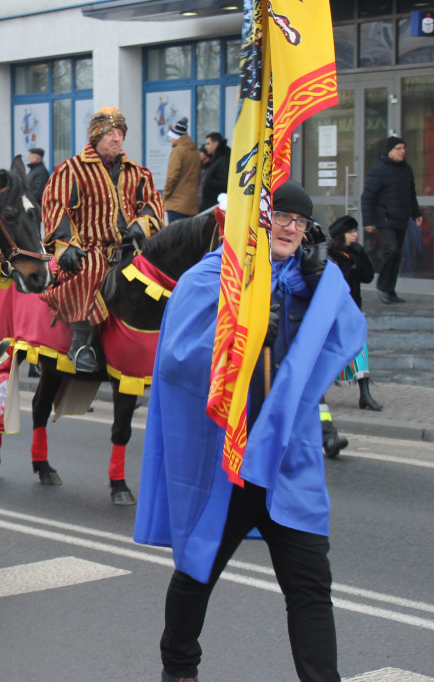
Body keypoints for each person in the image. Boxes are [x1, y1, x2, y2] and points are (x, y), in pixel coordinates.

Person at [134, 181, 366, 682]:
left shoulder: (309, 281)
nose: (290, 228)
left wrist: (324, 281)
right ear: (257, 219)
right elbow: (176, 359)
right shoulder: (212, 276)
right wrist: (244, 335)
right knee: (197, 572)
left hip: (287, 461)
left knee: (310, 587)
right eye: (280, 216)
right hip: (228, 460)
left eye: (300, 222)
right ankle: (179, 671)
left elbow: (345, 332)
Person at [38, 106, 164, 373]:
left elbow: (152, 200)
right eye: (110, 133)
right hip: (90, 247)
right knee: (91, 269)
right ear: (96, 137)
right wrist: (66, 245)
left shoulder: (137, 172)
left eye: (120, 133)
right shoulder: (71, 169)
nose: (116, 138)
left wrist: (142, 224)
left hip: (130, 246)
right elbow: (56, 207)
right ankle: (80, 342)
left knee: (157, 275)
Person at [328, 215, 382, 413]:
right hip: (333, 313)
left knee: (360, 348)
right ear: (341, 234)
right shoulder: (329, 254)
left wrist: (360, 258)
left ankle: (365, 395)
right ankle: (316, 396)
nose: (356, 235)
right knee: (323, 355)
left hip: (352, 311)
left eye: (356, 231)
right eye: (352, 232)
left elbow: (367, 277)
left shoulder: (354, 252)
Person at [360, 136, 423, 304]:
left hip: (401, 218)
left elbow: (411, 194)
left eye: (404, 148)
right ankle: (382, 286)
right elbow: (367, 198)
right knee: (392, 250)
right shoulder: (378, 171)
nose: (403, 151)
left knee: (396, 255)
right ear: (390, 151)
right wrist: (368, 221)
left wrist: (416, 214)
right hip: (385, 218)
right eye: (399, 148)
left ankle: (390, 290)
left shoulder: (406, 170)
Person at [162, 117, 200, 222]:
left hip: (177, 204)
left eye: (170, 137)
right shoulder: (195, 152)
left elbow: (172, 176)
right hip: (192, 204)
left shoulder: (177, 151)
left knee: (176, 237)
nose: (169, 140)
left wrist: (165, 195)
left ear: (176, 137)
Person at [200, 132, 231, 211]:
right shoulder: (215, 159)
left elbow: (225, 183)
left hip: (216, 206)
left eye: (208, 144)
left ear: (216, 143)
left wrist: (208, 182)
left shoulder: (224, 160)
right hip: (211, 205)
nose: (206, 147)